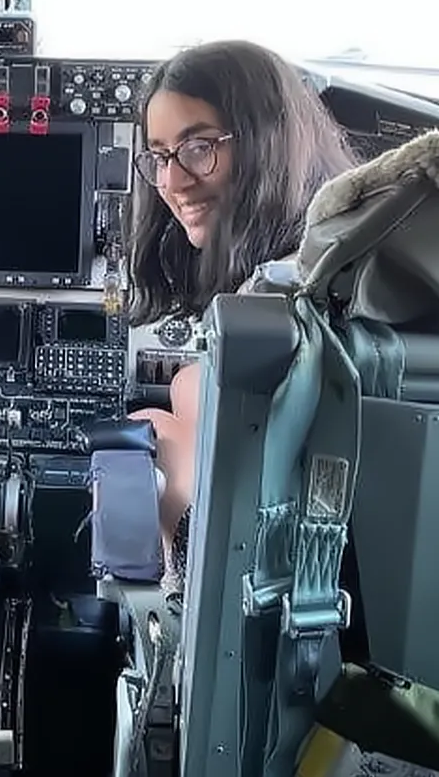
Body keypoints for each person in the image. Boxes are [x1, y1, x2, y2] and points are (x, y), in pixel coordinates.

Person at [124, 40, 357, 589]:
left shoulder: (289, 293)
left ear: (267, 143)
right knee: (183, 389)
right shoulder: (340, 256)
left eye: (199, 147)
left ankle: (185, 579)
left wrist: (177, 502)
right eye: (160, 156)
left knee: (148, 431)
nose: (173, 183)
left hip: (272, 574)